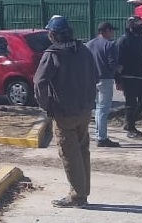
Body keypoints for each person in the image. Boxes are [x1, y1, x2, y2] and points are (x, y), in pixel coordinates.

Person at [33, 15, 99, 208]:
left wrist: (46, 106)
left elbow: (39, 82)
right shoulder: (83, 50)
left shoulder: (53, 54)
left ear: (53, 34)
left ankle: (77, 196)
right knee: (82, 150)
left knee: (69, 153)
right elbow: (94, 76)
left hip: (64, 112)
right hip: (84, 110)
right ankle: (83, 191)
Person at [85, 22, 120, 147]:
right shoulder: (109, 45)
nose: (113, 33)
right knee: (103, 109)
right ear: (107, 31)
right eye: (111, 31)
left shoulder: (89, 44)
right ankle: (101, 137)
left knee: (97, 108)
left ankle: (98, 134)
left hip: (91, 79)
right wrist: (118, 69)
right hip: (105, 79)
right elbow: (112, 64)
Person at [115, 17, 142, 139]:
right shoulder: (123, 40)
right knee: (131, 103)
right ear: (131, 26)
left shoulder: (141, 39)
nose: (140, 26)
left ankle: (129, 121)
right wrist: (118, 79)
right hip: (128, 76)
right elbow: (118, 61)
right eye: (137, 24)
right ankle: (130, 128)